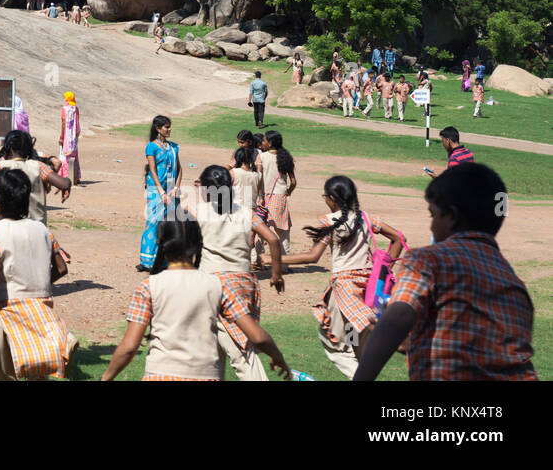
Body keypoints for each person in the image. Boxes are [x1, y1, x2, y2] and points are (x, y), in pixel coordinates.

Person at [352, 163, 535, 381]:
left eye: (433, 215)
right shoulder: (515, 285)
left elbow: (399, 316)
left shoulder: (428, 260)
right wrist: (412, 342)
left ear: (452, 217)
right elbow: (484, 353)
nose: (431, 227)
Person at [102, 219, 290, 381]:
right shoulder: (217, 285)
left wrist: (106, 377)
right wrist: (278, 357)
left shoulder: (149, 287)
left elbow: (129, 347)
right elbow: (257, 336)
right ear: (198, 244)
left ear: (162, 244)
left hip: (161, 373)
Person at [282, 176, 404, 378]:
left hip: (344, 293)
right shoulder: (366, 218)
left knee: (334, 344)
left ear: (331, 198)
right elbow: (399, 238)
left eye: (325, 197)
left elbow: (313, 256)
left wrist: (274, 258)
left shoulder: (330, 222)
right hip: (367, 291)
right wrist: (383, 271)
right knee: (355, 344)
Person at [0, 168, 73, 380]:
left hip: (8, 311)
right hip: (42, 310)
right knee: (38, 370)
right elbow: (61, 269)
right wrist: (37, 283)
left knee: (0, 368)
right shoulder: (43, 231)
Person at [197, 166, 285, 380]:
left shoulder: (198, 213)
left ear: (207, 190)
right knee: (216, 348)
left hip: (214, 284)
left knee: (241, 351)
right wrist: (276, 275)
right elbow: (273, 239)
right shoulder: (246, 213)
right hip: (243, 282)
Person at [0, 129, 71, 225]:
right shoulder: (38, 166)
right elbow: (64, 184)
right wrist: (68, 183)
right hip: (37, 227)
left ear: (8, 148)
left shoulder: (0, 167)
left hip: (10, 228)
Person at [138, 115, 181, 272]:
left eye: (169, 127)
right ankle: (147, 260)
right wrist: (161, 191)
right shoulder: (152, 147)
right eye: (166, 127)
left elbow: (179, 168)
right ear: (158, 129)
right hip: (156, 190)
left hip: (171, 191)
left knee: (169, 225)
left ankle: (164, 260)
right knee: (154, 222)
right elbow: (153, 170)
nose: (169, 130)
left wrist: (176, 188)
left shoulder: (174, 147)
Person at [254, 130, 296, 266]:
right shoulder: (286, 157)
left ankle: (258, 260)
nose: (262, 142)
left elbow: (258, 178)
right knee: (283, 232)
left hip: (263, 197)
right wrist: (288, 191)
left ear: (270, 143)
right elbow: (293, 182)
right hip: (280, 196)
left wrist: (259, 196)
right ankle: (284, 264)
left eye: (264, 140)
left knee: (260, 230)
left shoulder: (262, 157)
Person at [58, 91, 82, 183]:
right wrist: (76, 135)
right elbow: (78, 122)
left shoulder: (64, 109)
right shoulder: (76, 109)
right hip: (74, 135)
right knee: (74, 155)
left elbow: (64, 123)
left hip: (67, 136)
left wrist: (61, 137)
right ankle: (75, 176)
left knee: (65, 155)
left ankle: (66, 176)